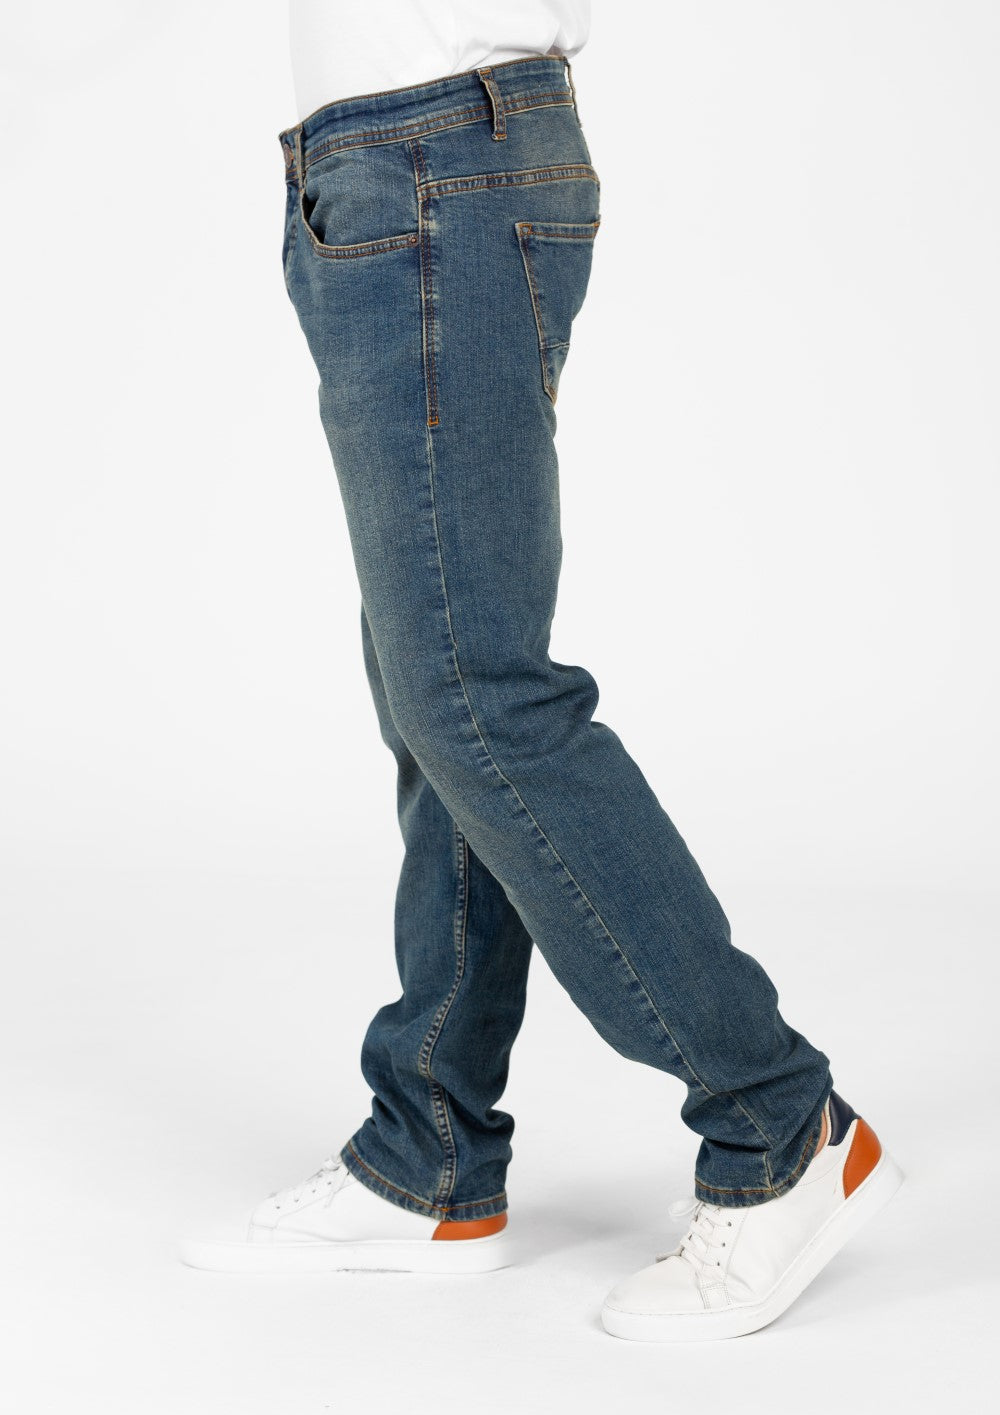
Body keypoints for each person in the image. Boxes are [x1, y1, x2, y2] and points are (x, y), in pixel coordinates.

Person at [179, 1, 903, 1340]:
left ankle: (782, 1124)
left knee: (477, 695)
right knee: (436, 694)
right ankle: (430, 1156)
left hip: (436, 161)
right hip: (391, 166)